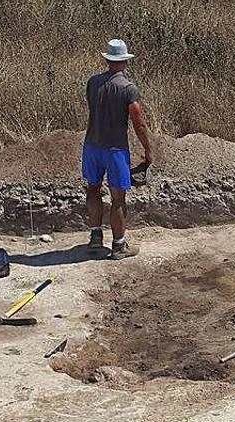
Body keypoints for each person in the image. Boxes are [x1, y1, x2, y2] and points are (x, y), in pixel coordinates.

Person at [83, 38, 153, 260]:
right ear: (125, 61)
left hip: (92, 146)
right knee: (118, 198)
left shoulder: (93, 83)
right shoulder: (128, 89)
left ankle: (95, 237)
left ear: (107, 60)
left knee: (93, 190)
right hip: (115, 150)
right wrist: (148, 150)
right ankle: (119, 246)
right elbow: (139, 123)